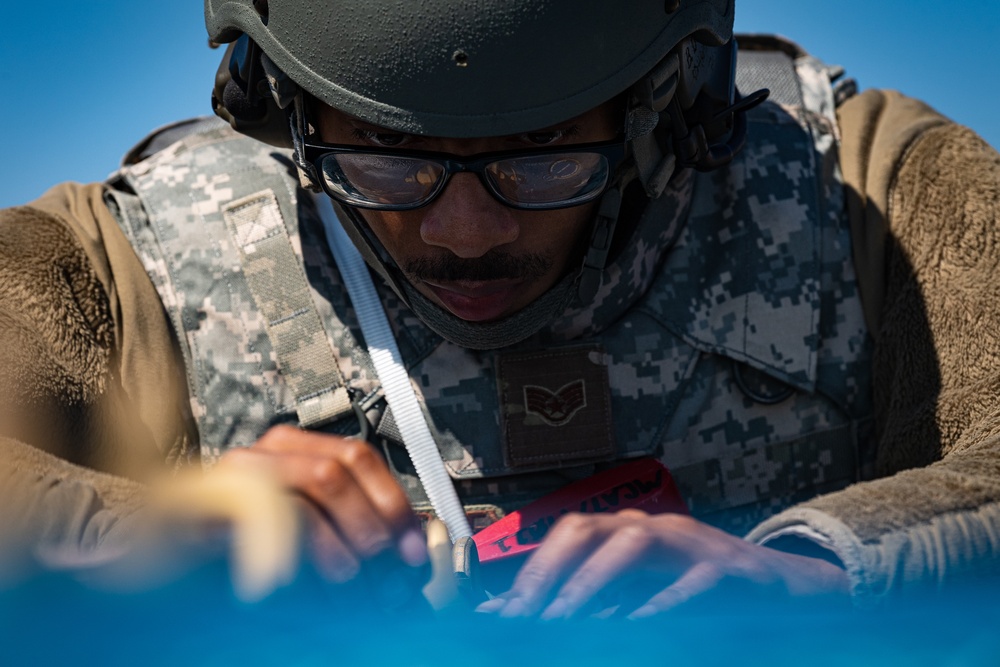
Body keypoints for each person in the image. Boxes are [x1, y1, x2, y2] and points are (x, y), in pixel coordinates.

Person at [0, 0, 998, 620]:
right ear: (288, 114)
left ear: (660, 103)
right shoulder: (116, 264)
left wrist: (818, 571)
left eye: (545, 154)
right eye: (386, 157)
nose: (465, 233)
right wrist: (150, 531)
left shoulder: (874, 192)